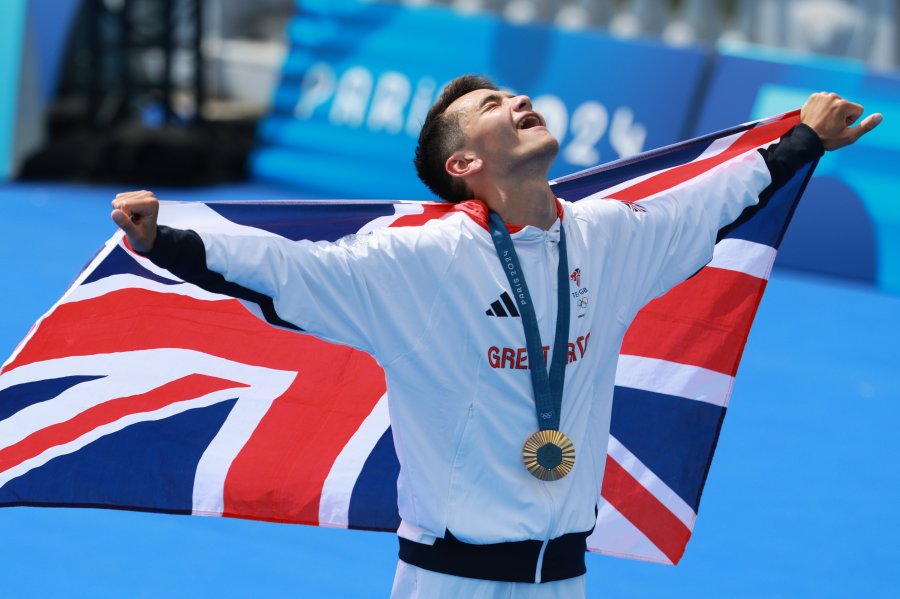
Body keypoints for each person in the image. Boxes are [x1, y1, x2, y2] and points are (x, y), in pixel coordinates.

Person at [111, 76, 881, 599]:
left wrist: (803, 142)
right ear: (465, 164)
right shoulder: (419, 260)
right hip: (450, 579)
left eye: (512, 93)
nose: (516, 98)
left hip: (562, 577)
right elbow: (285, 269)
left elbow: (708, 201)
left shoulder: (610, 239)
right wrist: (167, 239)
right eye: (489, 104)